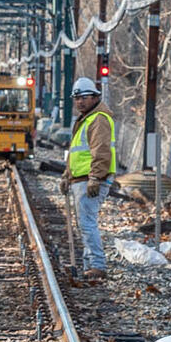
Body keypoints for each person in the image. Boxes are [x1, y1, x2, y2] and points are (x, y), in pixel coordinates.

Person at [65, 77, 115, 281]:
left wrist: (95, 177)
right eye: (77, 98)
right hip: (81, 180)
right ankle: (89, 265)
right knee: (84, 223)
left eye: (84, 97)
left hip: (91, 180)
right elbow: (76, 153)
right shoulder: (86, 120)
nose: (80, 102)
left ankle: (97, 265)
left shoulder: (98, 119)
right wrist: (66, 176)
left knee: (87, 223)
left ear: (95, 97)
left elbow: (101, 151)